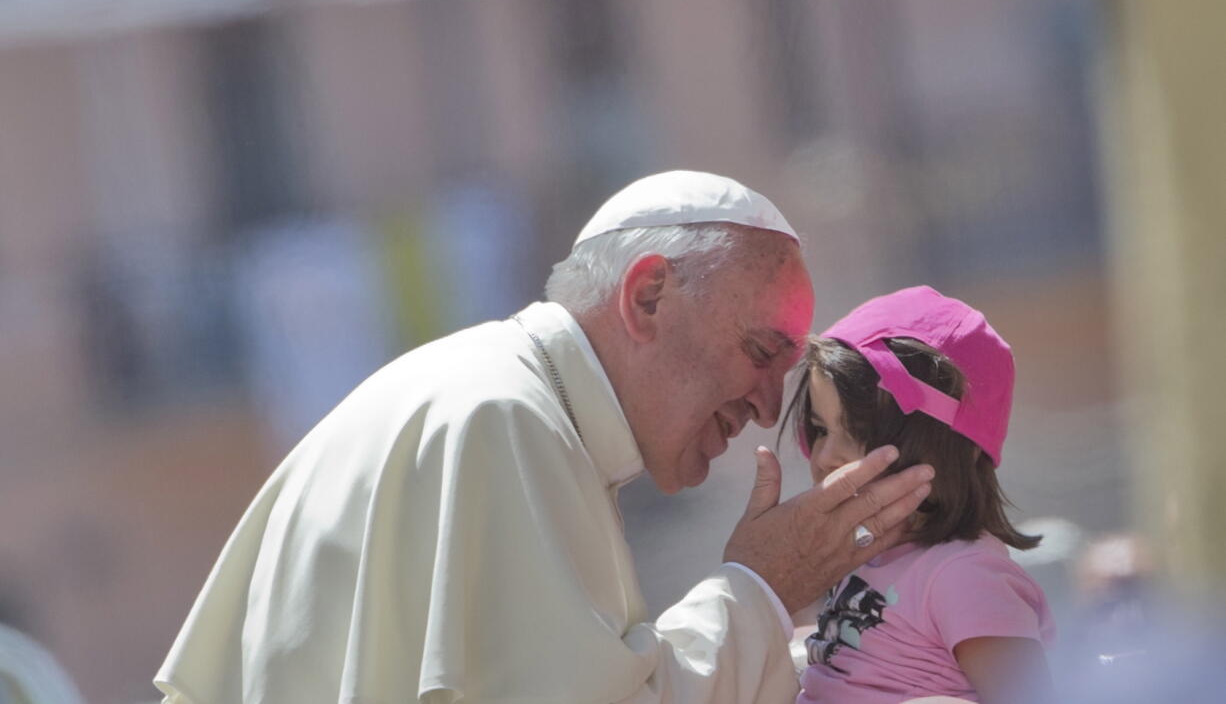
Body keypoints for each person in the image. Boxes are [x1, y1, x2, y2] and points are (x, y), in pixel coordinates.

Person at [154, 170, 934, 704]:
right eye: (762, 352)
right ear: (649, 294)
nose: (768, 408)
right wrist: (762, 588)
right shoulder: (501, 419)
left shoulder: (510, 406)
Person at [788, 285, 1056, 704]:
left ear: (946, 448)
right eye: (820, 429)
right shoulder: (867, 555)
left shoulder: (964, 575)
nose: (824, 457)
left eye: (859, 433)